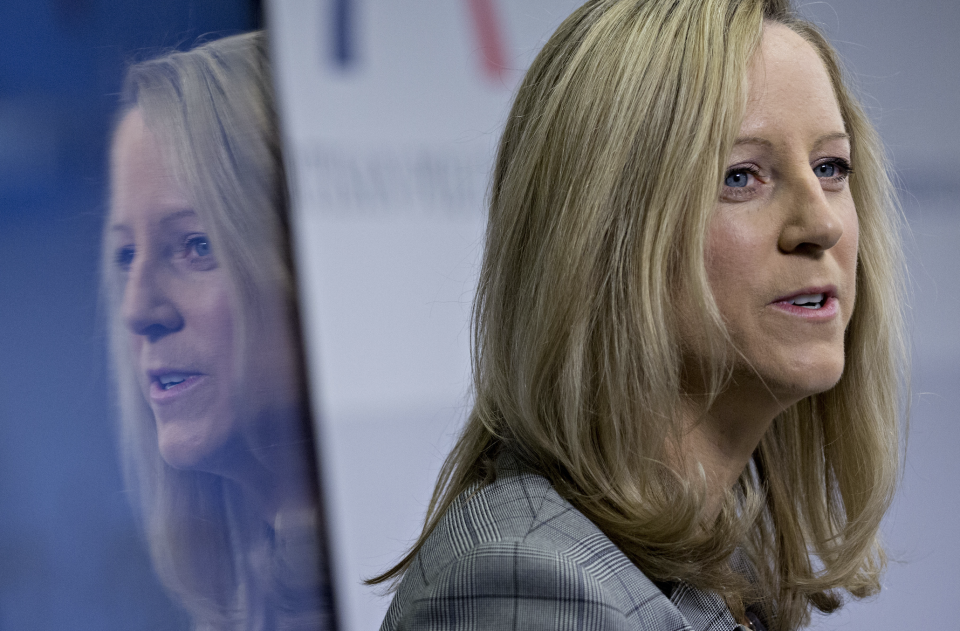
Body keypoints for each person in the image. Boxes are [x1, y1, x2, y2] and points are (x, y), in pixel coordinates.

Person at [373, 0, 906, 629]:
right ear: (604, 237)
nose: (820, 223)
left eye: (830, 167)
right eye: (741, 176)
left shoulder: (723, 559)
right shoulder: (524, 578)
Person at [103, 32, 331, 630]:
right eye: (127, 255)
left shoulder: (476, 583)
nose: (137, 309)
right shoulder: (243, 604)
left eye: (196, 245)